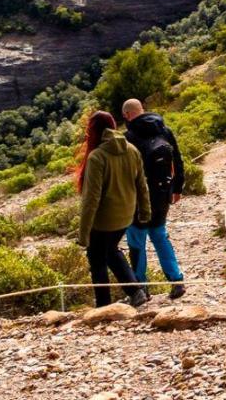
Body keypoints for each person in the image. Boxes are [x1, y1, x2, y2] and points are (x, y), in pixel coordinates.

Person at [77, 109, 151, 308]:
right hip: (126, 216)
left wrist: (83, 234)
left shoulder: (97, 157)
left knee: (97, 259)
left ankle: (104, 306)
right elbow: (141, 185)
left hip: (104, 221)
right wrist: (145, 212)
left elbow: (91, 200)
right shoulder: (131, 149)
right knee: (111, 250)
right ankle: (136, 291)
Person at [121, 98, 188, 299]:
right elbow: (178, 159)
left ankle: (141, 288)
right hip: (162, 193)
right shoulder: (164, 130)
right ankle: (176, 281)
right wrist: (177, 188)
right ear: (142, 110)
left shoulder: (128, 137)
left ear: (126, 115)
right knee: (159, 234)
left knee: (137, 240)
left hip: (137, 198)